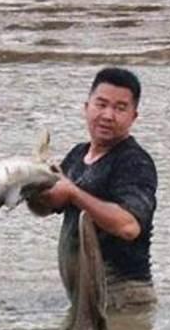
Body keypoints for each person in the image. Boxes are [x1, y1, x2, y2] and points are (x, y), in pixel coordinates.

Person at [28, 67, 158, 311]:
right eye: (101, 104)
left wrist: (74, 194)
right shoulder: (78, 155)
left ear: (133, 116)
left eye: (120, 108)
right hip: (84, 297)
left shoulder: (135, 162)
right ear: (86, 107)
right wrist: (32, 190)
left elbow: (128, 226)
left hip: (124, 299)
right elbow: (46, 208)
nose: (108, 115)